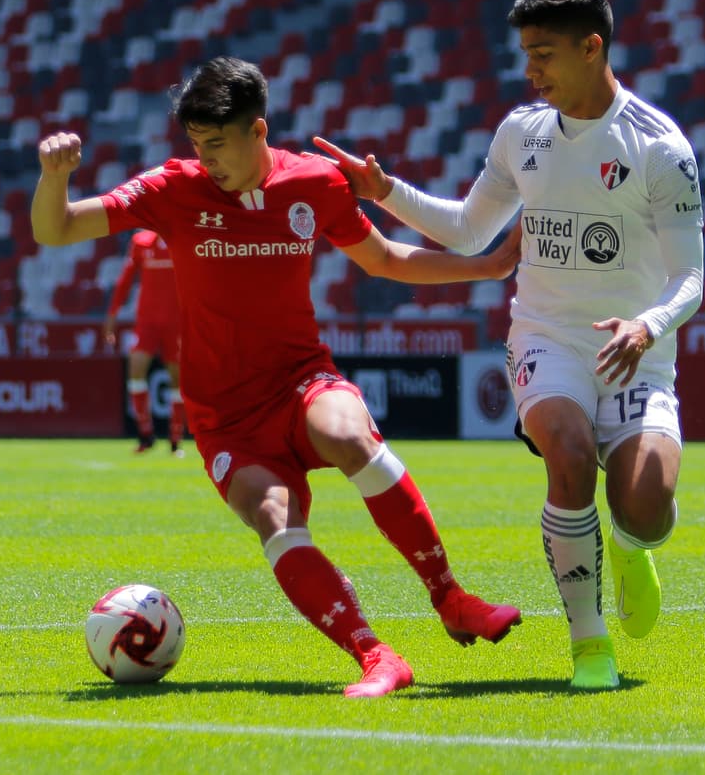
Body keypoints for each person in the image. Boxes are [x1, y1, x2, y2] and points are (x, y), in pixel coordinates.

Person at [29, 56, 523, 699]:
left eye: (216, 143)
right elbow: (56, 228)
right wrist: (53, 178)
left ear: (258, 132)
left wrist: (483, 271)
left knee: (350, 436)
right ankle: (377, 657)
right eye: (195, 144)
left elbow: (383, 259)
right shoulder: (172, 188)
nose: (205, 158)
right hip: (223, 415)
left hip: (300, 380)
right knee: (273, 514)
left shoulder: (315, 183)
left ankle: (452, 598)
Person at [317, 0, 704, 691]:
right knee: (568, 450)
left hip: (636, 354)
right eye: (526, 54)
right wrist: (386, 192)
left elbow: (690, 279)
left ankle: (628, 545)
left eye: (545, 55)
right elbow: (470, 231)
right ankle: (590, 645)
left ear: (592, 48)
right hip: (545, 336)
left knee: (646, 510)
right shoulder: (520, 133)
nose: (531, 72)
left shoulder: (660, 147)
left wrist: (648, 325)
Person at [103, 229, 187, 455]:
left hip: (177, 323)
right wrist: (112, 315)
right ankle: (146, 435)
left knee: (177, 380)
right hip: (147, 323)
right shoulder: (140, 242)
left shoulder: (182, 238)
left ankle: (175, 440)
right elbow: (125, 280)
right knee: (136, 369)